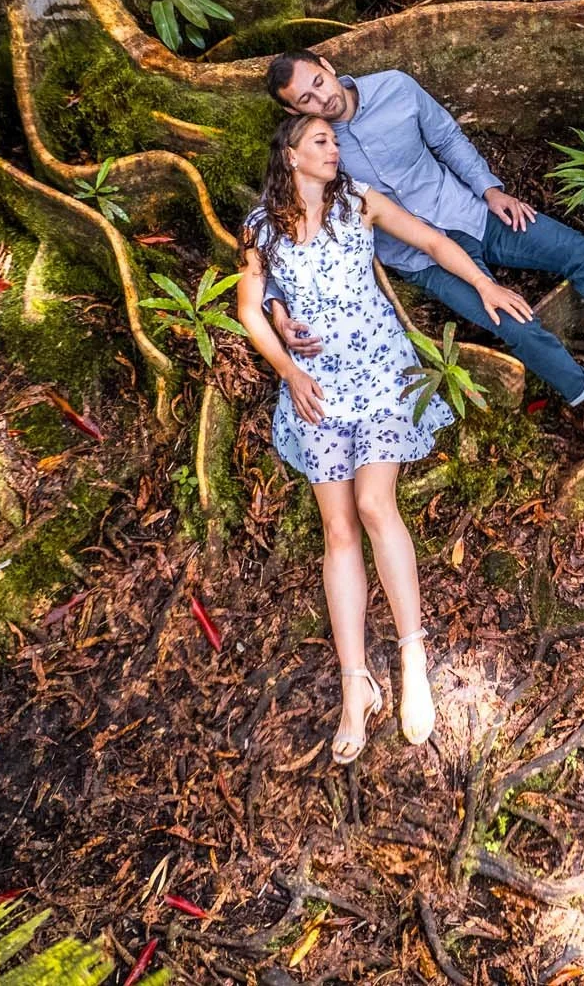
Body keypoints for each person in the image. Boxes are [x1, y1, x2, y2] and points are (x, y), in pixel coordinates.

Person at [237, 114, 533, 764]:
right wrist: (289, 367)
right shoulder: (261, 230)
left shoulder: (360, 202)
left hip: (378, 368)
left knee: (375, 506)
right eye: (320, 141)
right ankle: (356, 685)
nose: (333, 148)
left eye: (334, 140)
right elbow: (247, 311)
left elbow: (429, 241)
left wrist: (484, 283)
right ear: (290, 155)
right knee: (337, 530)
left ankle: (413, 660)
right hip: (315, 383)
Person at [261, 51, 584, 458]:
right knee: (516, 326)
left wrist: (490, 191)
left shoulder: (395, 88)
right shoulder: (316, 149)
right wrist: (277, 308)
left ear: (327, 66)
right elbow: (288, 228)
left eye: (318, 83)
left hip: (470, 214)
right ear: (291, 110)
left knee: (583, 252)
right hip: (423, 259)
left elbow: (446, 139)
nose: (321, 99)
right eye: (305, 99)